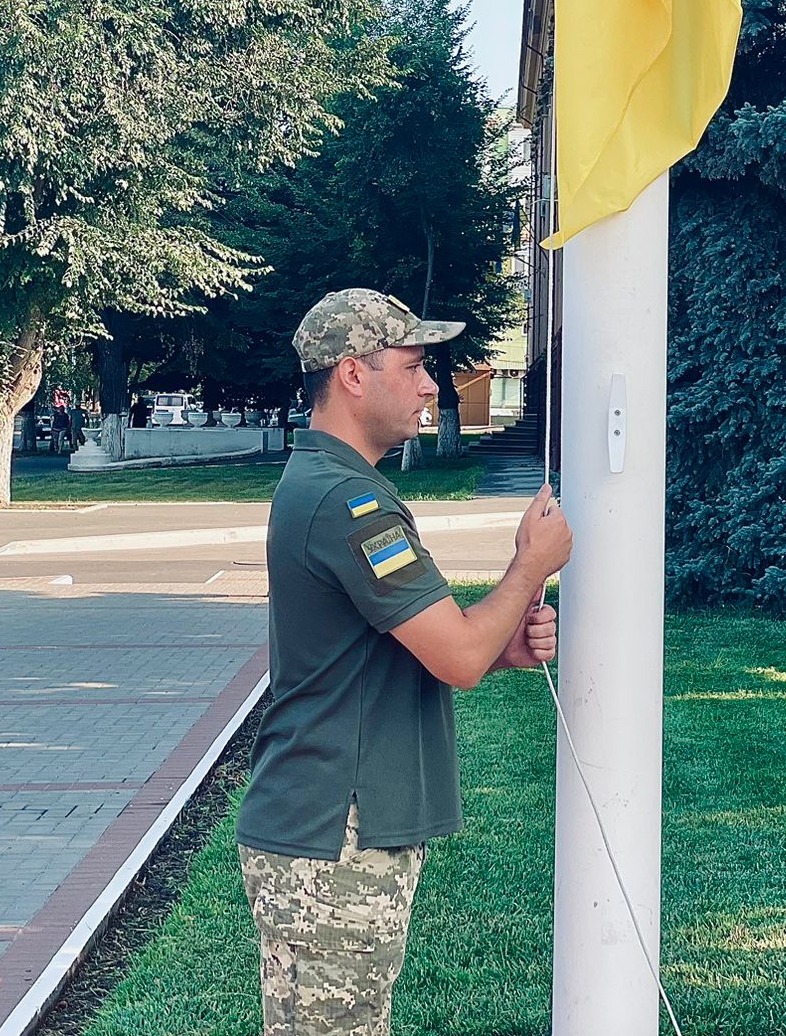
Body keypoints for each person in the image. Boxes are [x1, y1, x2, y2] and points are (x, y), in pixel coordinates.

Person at [235, 288, 572, 1036]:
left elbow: (424, 644)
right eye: (416, 366)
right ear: (354, 374)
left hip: (327, 825)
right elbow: (454, 654)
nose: (431, 387)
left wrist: (499, 640)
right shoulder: (348, 502)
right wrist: (529, 567)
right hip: (335, 834)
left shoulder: (338, 486)